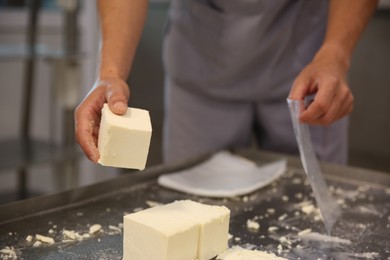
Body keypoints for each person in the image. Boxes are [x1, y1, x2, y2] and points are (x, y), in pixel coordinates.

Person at [75, 0, 378, 166]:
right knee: (191, 215)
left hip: (306, 66)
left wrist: (335, 54)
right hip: (201, 62)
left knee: (311, 215)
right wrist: (110, 72)